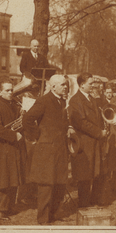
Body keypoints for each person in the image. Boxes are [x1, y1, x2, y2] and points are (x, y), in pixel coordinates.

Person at [23, 74, 69, 224]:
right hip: (47, 150)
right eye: (62, 84)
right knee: (46, 185)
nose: (65, 87)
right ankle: (43, 218)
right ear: (53, 86)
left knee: (59, 183)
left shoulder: (61, 101)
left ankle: (54, 214)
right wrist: (37, 136)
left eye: (66, 84)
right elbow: (28, 119)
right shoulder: (44, 100)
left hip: (60, 149)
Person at [68, 73, 108, 207]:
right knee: (85, 175)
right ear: (81, 85)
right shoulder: (75, 100)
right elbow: (80, 122)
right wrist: (99, 132)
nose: (93, 86)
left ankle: (95, 200)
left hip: (94, 142)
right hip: (84, 143)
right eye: (90, 83)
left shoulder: (92, 98)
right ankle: (84, 204)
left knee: (97, 173)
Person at [0, 78, 26, 220]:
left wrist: (23, 115)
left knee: (13, 176)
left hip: (12, 147)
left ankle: (8, 207)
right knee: (2, 178)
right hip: (2, 147)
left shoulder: (13, 105)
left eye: (12, 90)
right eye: (7, 90)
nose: (11, 92)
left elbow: (18, 123)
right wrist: (13, 135)